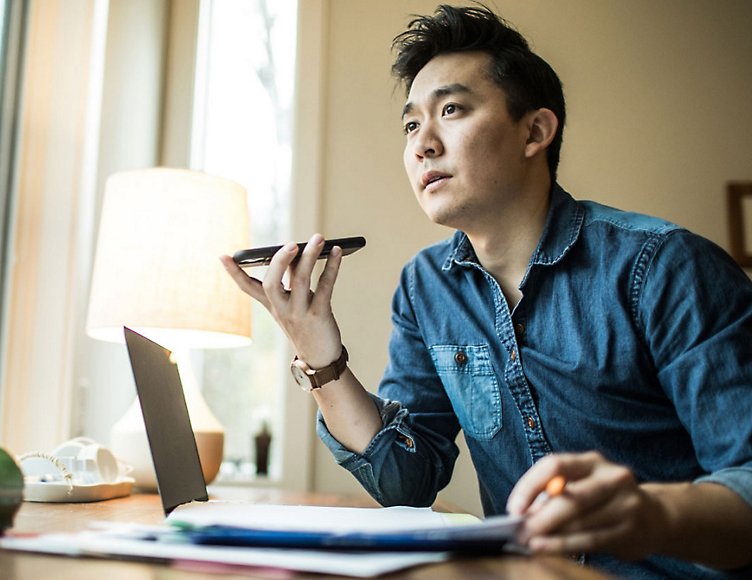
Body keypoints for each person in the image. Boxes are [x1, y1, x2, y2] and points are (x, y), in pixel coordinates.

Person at [221, 4, 752, 578]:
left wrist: (649, 513)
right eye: (410, 124)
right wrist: (315, 348)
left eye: (451, 110)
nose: (423, 144)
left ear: (535, 131)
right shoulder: (427, 289)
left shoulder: (665, 267)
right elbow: (407, 479)